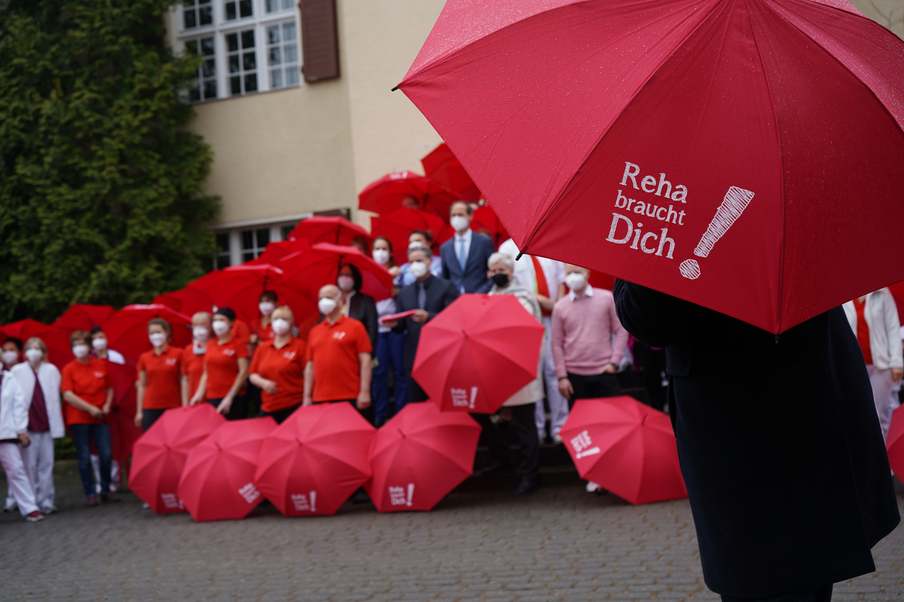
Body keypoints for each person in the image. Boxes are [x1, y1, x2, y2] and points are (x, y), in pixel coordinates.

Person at [614, 281, 900, 602]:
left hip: (748, 426)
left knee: (779, 576)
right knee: (802, 572)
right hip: (797, 406)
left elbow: (645, 315)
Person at [482, 253, 542, 495]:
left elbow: (522, 329)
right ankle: (512, 467)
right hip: (497, 373)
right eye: (493, 269)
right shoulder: (488, 298)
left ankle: (531, 475)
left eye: (501, 269)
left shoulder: (523, 298)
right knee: (504, 425)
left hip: (521, 373)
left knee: (525, 426)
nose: (497, 272)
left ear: (511, 272)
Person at [499, 239, 569, 443]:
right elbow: (507, 282)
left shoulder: (551, 241)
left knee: (554, 371)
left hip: (551, 317)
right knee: (532, 374)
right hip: (525, 320)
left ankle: (560, 427)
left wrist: (559, 308)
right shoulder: (507, 248)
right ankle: (537, 428)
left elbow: (561, 280)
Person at [389, 245, 459, 402]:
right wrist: (394, 324)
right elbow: (401, 325)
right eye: (412, 261)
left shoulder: (445, 287)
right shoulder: (405, 292)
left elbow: (454, 318)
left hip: (441, 353)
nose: (415, 265)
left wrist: (429, 317)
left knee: (441, 400)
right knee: (416, 401)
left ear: (429, 261)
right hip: (414, 356)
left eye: (419, 260)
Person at [552, 265, 628, 403]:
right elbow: (557, 344)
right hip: (574, 375)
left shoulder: (606, 298)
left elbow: (621, 330)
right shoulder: (559, 307)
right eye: (569, 273)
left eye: (577, 272)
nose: (573, 276)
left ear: (587, 273)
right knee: (582, 423)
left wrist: (614, 362)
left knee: (611, 419)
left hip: (605, 371)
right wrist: (562, 376)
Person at [10, 338, 63, 515]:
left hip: (47, 425)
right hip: (28, 426)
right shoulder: (17, 371)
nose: (34, 351)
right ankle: (30, 502)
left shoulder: (52, 370)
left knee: (46, 465)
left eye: (38, 348)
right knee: (29, 466)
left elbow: (55, 398)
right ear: (24, 352)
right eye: (30, 348)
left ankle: (46, 500)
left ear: (43, 351)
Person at [62, 330, 114, 506]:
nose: (80, 348)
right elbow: (68, 395)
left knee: (106, 454)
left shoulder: (101, 365)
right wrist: (89, 408)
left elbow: (109, 388)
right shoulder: (69, 368)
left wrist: (107, 404)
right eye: (76, 344)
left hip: (100, 417)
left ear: (90, 346)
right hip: (79, 418)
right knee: (84, 457)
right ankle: (90, 492)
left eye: (83, 344)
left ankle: (106, 489)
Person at [843, 288, 903, 440]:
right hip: (855, 367)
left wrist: (897, 362)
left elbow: (893, 328)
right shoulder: (843, 299)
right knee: (858, 412)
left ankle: (883, 455)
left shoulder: (882, 293)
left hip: (881, 366)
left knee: (880, 415)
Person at [303, 285, 372, 409]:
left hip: (349, 394)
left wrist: (365, 391)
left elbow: (366, 360)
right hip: (320, 397)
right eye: (321, 298)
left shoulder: (355, 326)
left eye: (328, 297)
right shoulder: (314, 331)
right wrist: (307, 396)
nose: (324, 301)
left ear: (340, 300)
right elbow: (310, 366)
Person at [0, 356, 43, 522]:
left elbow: (19, 405)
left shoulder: (9, 378)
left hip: (6, 432)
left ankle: (30, 508)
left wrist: (21, 429)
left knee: (16, 470)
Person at [371, 237, 408, 425]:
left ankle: (402, 412)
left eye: (384, 248)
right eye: (377, 248)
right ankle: (381, 414)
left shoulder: (400, 273)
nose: (380, 252)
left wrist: (396, 289)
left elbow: (405, 295)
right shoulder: (367, 274)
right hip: (377, 330)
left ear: (390, 252)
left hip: (396, 328)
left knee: (400, 371)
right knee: (380, 373)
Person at [249, 306, 306, 423]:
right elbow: (252, 374)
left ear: (291, 322)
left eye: (284, 319)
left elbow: (308, 374)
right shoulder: (263, 347)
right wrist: (263, 383)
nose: (279, 322)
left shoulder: (300, 346)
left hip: (293, 405)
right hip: (268, 405)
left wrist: (307, 400)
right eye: (275, 319)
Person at [189, 307, 249, 417]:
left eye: (222, 320)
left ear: (231, 323)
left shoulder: (238, 344)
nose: (218, 324)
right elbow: (206, 372)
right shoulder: (211, 344)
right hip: (212, 396)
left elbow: (243, 372)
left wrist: (230, 397)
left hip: (233, 397)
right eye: (215, 320)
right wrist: (199, 393)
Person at [135, 319, 183, 431]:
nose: (155, 336)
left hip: (172, 406)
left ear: (166, 333)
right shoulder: (144, 357)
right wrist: (139, 411)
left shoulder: (178, 353)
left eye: (158, 332)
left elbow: (183, 380)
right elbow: (142, 385)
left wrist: (184, 406)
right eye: (152, 333)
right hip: (150, 406)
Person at [440, 201, 494, 293]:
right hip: (455, 301)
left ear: (470, 216)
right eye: (453, 215)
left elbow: (492, 271)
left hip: (480, 297)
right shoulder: (445, 248)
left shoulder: (483, 242)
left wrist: (481, 292)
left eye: (460, 215)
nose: (456, 218)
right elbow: (445, 278)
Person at [338, 263, 378, 348]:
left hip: (357, 349)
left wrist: (366, 352)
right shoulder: (333, 300)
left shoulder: (366, 301)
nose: (344, 278)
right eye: (341, 274)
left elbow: (372, 331)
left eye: (348, 275)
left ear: (355, 278)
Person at [182, 312, 211, 405]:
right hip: (194, 400)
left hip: (214, 399)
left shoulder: (217, 346)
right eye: (195, 325)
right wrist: (185, 403)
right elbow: (185, 378)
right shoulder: (188, 350)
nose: (199, 328)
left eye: (203, 324)